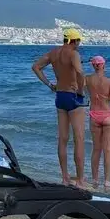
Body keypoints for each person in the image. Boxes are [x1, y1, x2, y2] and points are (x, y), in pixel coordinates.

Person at [32, 28, 87, 187]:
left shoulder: (53, 53)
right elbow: (80, 73)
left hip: (60, 96)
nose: (79, 44)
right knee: (79, 139)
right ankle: (80, 180)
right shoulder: (74, 54)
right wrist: (80, 92)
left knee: (63, 139)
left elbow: (36, 67)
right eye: (78, 41)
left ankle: (64, 178)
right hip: (73, 96)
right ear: (73, 40)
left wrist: (50, 85)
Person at [84, 56, 110, 190]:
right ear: (103, 65)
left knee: (96, 149)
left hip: (94, 115)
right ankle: (107, 181)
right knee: (108, 150)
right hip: (108, 116)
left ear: (93, 66)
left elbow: (83, 92)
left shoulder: (87, 79)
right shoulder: (109, 82)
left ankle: (95, 180)